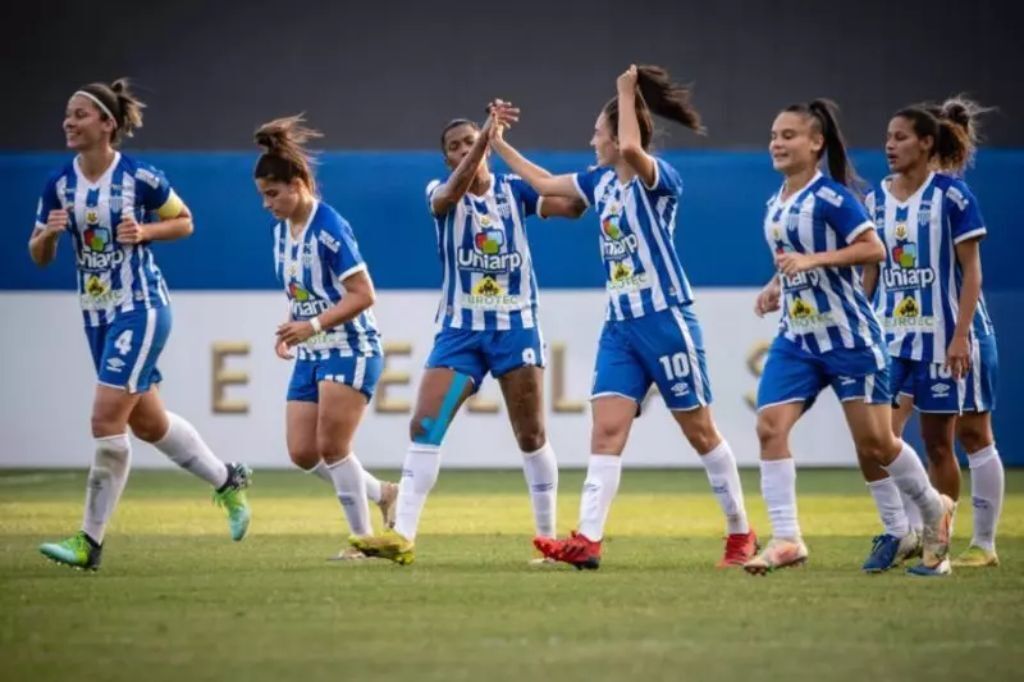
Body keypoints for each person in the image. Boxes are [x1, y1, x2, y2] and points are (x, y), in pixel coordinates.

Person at [483, 64, 758, 570]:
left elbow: (634, 151)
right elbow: (543, 181)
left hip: (665, 318)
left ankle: (741, 533)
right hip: (620, 327)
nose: (591, 139)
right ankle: (587, 540)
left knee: (700, 431)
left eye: (597, 131)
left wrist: (625, 92)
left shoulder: (659, 179)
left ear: (618, 133)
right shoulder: (599, 183)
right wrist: (495, 143)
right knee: (605, 430)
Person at [30, 79, 252, 571]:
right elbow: (39, 255)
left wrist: (146, 230)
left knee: (104, 421)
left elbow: (186, 220)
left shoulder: (140, 178)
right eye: (67, 114)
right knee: (147, 423)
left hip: (142, 307)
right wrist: (47, 235)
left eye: (80, 114)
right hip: (96, 313)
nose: (69, 121)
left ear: (107, 124)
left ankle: (90, 542)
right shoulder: (58, 184)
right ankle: (227, 479)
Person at [352, 105, 586, 566]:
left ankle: (548, 540)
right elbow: (452, 192)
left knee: (531, 434)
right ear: (446, 160)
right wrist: (485, 140)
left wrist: (514, 152)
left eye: (469, 142)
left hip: (514, 327)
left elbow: (574, 206)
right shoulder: (440, 193)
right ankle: (403, 536)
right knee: (425, 425)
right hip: (460, 332)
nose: (464, 150)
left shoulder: (514, 193)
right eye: (455, 147)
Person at [746, 99, 955, 576]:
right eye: (775, 135)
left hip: (849, 340)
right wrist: (776, 285)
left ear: (816, 143)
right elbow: (793, 258)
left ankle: (932, 509)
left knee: (877, 445)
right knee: (769, 427)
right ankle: (786, 539)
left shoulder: (833, 198)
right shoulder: (775, 204)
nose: (777, 143)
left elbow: (874, 248)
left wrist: (813, 263)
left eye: (789, 135)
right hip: (796, 339)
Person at [859, 98, 1001, 571]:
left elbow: (972, 272)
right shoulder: (875, 200)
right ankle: (905, 531)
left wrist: (960, 336)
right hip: (892, 339)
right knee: (880, 438)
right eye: (887, 138)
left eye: (900, 137)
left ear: (926, 143)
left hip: (945, 337)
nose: (889, 146)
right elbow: (872, 273)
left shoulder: (952, 197)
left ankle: (964, 544)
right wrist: (863, 324)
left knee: (948, 440)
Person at [254, 115, 396, 559]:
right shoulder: (282, 233)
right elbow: (308, 296)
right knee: (301, 451)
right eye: (263, 196)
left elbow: (363, 295)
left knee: (334, 447)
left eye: (273, 194)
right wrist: (293, 330)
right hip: (312, 350)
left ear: (298, 184)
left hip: (351, 347)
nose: (267, 204)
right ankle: (383, 492)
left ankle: (364, 542)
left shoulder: (330, 227)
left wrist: (312, 326)